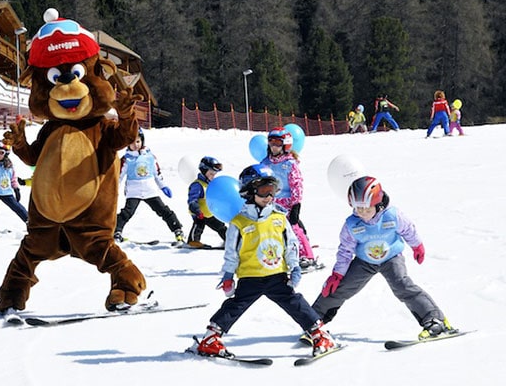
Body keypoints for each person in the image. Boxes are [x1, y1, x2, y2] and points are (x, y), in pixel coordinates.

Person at [193, 164, 337, 358]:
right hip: (250, 276)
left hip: (277, 275)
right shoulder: (239, 223)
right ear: (249, 192)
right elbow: (231, 253)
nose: (269, 197)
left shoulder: (279, 218)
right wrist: (228, 275)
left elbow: (291, 244)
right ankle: (211, 338)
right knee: (235, 306)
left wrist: (294, 266)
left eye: (273, 191)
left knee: (295, 303)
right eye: (264, 191)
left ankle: (319, 334)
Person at [311, 176, 454, 340]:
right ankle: (313, 321)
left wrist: (416, 246)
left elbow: (408, 229)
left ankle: (435, 320)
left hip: (391, 258)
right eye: (358, 208)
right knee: (339, 288)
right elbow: (345, 251)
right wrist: (337, 274)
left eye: (367, 208)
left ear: (378, 204)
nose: (363, 213)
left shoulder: (392, 216)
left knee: (402, 285)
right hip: (364, 261)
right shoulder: (352, 224)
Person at [114, 128, 184, 245]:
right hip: (134, 191)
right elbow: (119, 176)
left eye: (138, 141)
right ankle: (116, 231)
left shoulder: (150, 157)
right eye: (132, 142)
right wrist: (114, 189)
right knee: (127, 213)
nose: (135, 145)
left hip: (150, 190)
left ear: (142, 141)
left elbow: (157, 174)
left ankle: (177, 230)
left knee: (163, 210)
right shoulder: (126, 159)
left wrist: (163, 187)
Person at [260, 127, 317, 270]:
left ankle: (307, 256)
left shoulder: (290, 164)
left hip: (287, 203)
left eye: (278, 143)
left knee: (293, 228)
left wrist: (296, 205)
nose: (274, 146)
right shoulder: (265, 163)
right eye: (271, 142)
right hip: (269, 202)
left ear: (285, 145)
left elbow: (296, 185)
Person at [186, 156, 227, 248]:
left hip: (209, 213)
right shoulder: (197, 185)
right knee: (199, 225)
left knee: (220, 226)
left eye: (214, 174)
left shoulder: (211, 184)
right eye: (211, 173)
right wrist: (197, 210)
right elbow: (192, 199)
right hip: (199, 213)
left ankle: (229, 240)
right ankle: (193, 241)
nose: (213, 176)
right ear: (204, 171)